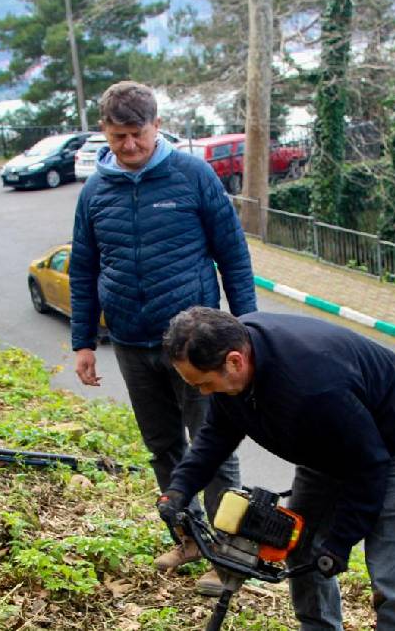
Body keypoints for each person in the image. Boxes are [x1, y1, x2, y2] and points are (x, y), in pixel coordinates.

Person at [68, 81, 255, 595]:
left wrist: (252, 326)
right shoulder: (95, 191)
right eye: (118, 135)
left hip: (196, 346)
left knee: (214, 447)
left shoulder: (192, 175)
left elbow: (232, 254)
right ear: (104, 131)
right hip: (130, 340)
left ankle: (230, 554)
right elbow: (83, 268)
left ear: (156, 125)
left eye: (137, 134)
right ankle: (188, 539)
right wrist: (83, 341)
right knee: (163, 448)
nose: (129, 146)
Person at [158, 307, 395, 630]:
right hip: (329, 442)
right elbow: (216, 435)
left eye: (205, 383)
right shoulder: (234, 360)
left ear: (235, 361)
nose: (203, 393)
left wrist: (340, 543)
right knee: (303, 547)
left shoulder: (313, 386)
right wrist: (179, 490)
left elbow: (369, 465)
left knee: (391, 576)